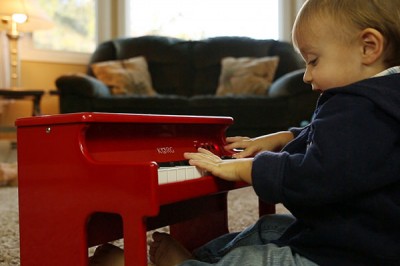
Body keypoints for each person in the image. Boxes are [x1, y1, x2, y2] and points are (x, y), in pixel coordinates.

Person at [91, 0, 400, 265]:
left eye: (314, 61)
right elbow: (331, 141)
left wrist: (245, 166)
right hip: (359, 235)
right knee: (268, 227)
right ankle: (195, 259)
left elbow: (315, 177)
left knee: (257, 260)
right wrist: (283, 138)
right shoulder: (377, 102)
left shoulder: (359, 106)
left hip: (349, 256)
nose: (306, 75)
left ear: (368, 47)